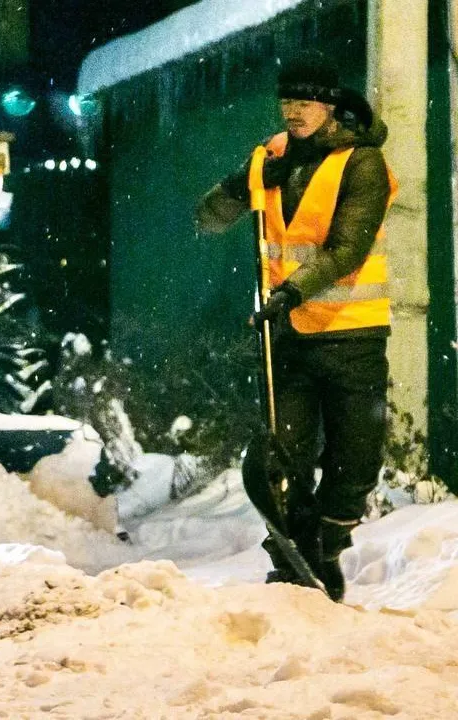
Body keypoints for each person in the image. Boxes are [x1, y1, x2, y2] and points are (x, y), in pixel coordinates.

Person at [196, 53, 397, 601]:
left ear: (330, 106)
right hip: (286, 338)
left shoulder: (362, 164)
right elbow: (207, 218)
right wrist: (244, 185)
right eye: (286, 101)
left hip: (352, 334)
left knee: (355, 460)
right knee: (285, 456)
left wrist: (290, 291)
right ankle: (292, 555)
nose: (293, 112)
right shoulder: (273, 156)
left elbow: (348, 248)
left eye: (304, 102)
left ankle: (325, 547)